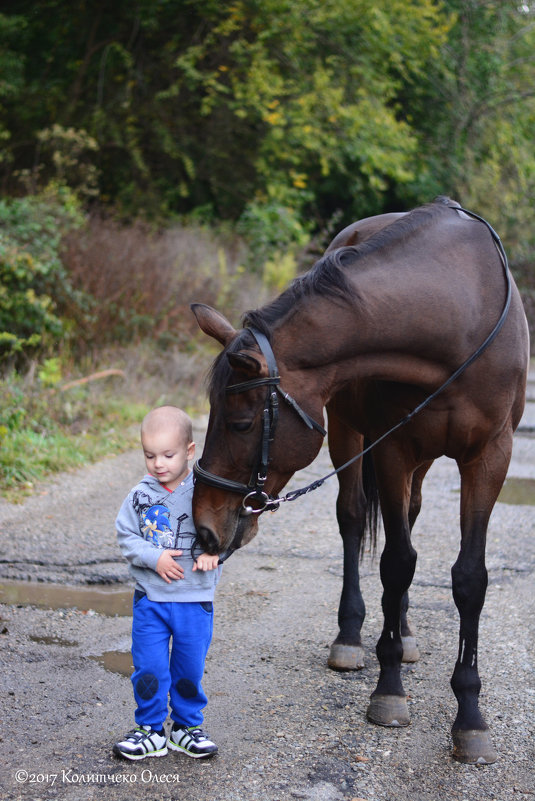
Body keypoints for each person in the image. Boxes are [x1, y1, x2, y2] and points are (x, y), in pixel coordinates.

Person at [113, 405, 222, 761]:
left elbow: (229, 527)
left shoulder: (205, 491)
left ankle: (187, 727)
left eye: (168, 455)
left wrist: (215, 551)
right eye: (150, 455)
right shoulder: (140, 496)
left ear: (189, 451)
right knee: (150, 667)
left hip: (195, 599)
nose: (158, 463)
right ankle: (150, 729)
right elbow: (126, 535)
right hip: (152, 600)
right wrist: (153, 556)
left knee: (189, 668)